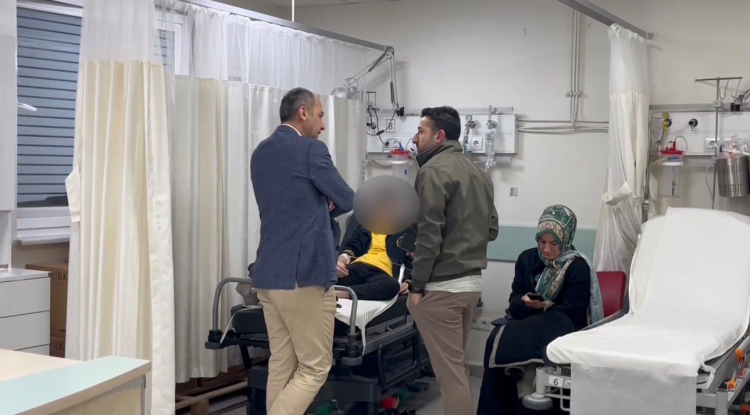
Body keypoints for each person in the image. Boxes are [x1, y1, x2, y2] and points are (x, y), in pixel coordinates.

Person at [250, 87, 354, 415]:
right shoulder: (311, 149)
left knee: (283, 361)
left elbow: (287, 204)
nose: (322, 125)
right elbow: (347, 198)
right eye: (320, 116)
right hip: (303, 274)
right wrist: (326, 203)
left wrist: (318, 204)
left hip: (268, 273)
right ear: (303, 112)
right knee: (314, 368)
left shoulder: (261, 152)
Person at [407, 106, 499, 415]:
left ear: (439, 136)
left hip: (442, 289)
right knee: (456, 368)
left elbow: (428, 236)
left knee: (450, 375)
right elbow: (492, 230)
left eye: (421, 131)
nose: (415, 138)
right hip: (470, 286)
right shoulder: (480, 174)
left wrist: (416, 287)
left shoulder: (432, 172)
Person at [477, 205, 604, 415]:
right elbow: (514, 299)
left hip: (563, 322)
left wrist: (547, 305)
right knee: (495, 339)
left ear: (566, 239)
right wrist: (524, 302)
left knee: (515, 340)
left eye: (554, 243)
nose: (546, 249)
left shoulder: (577, 266)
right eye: (542, 242)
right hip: (528, 317)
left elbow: (575, 310)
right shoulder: (527, 259)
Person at [336, 220, 415, 301]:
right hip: (357, 267)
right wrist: (339, 262)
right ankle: (347, 291)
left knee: (393, 286)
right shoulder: (364, 228)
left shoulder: (405, 232)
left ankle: (342, 293)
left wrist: (408, 282)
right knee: (330, 276)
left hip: (380, 274)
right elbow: (350, 249)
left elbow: (412, 262)